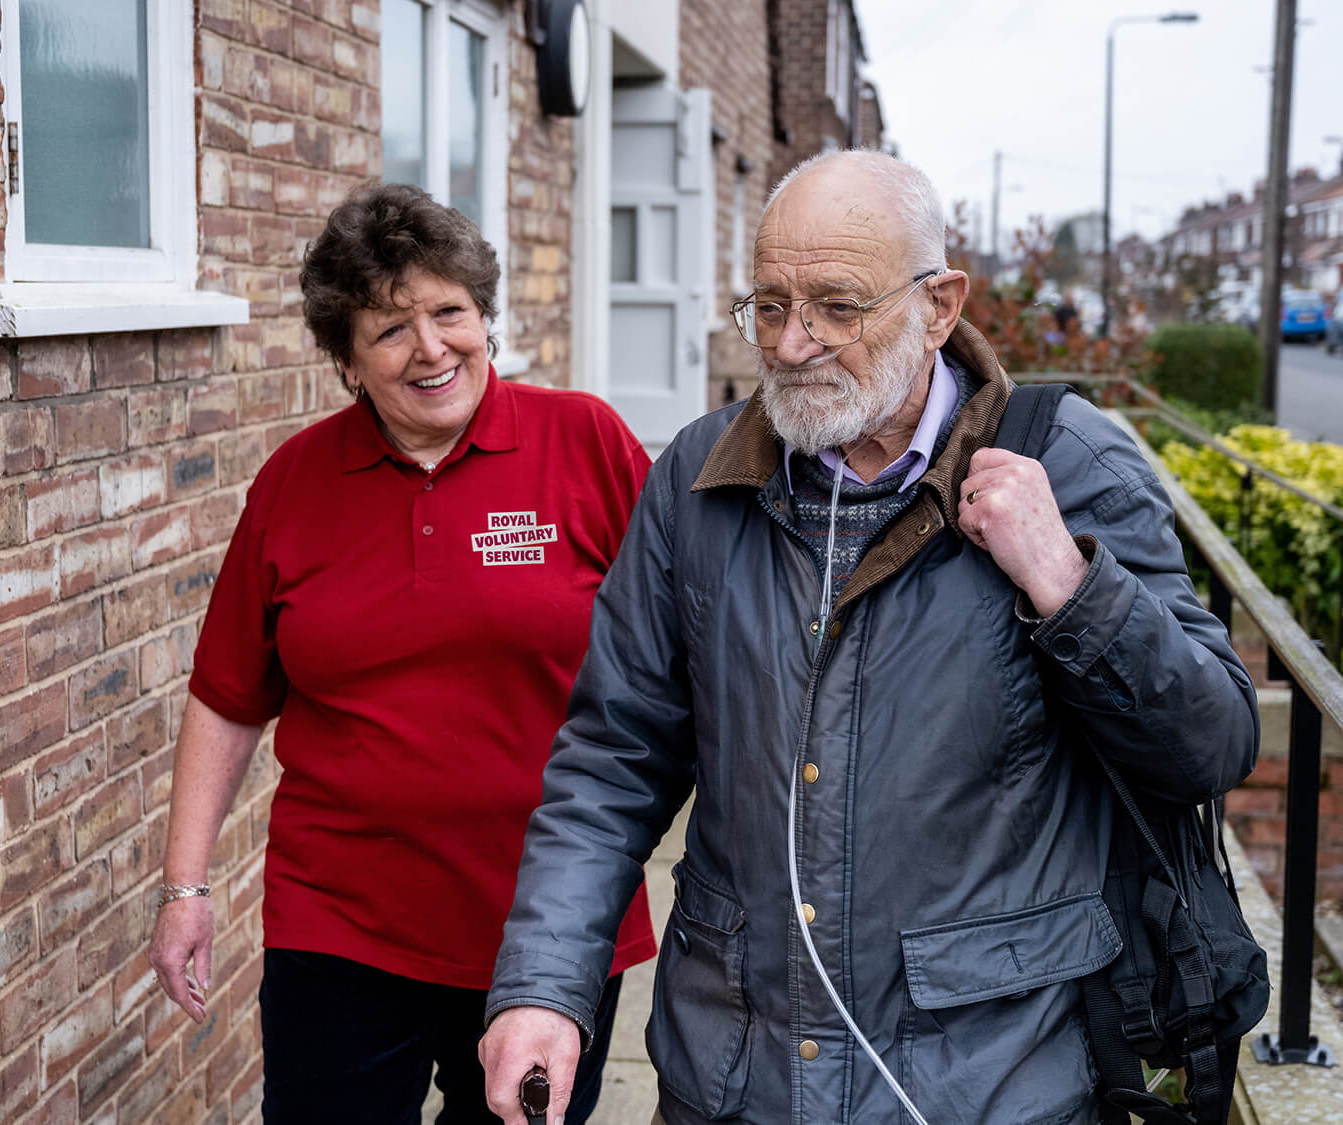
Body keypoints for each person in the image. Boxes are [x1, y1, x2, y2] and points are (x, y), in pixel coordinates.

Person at [479, 151, 1260, 1125]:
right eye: (769, 305)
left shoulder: (1069, 461)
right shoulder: (696, 479)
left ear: (939, 306)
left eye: (836, 308)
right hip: (736, 1076)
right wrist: (544, 987)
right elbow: (610, 761)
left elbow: (1211, 747)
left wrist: (1069, 585)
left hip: (988, 1086)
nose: (793, 343)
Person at [147, 182, 658, 1124]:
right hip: (338, 924)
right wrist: (185, 886)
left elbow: (684, 656)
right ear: (347, 362)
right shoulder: (294, 484)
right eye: (389, 328)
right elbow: (226, 695)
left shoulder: (585, 443)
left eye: (450, 312)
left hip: (547, 932)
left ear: (484, 321)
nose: (431, 348)